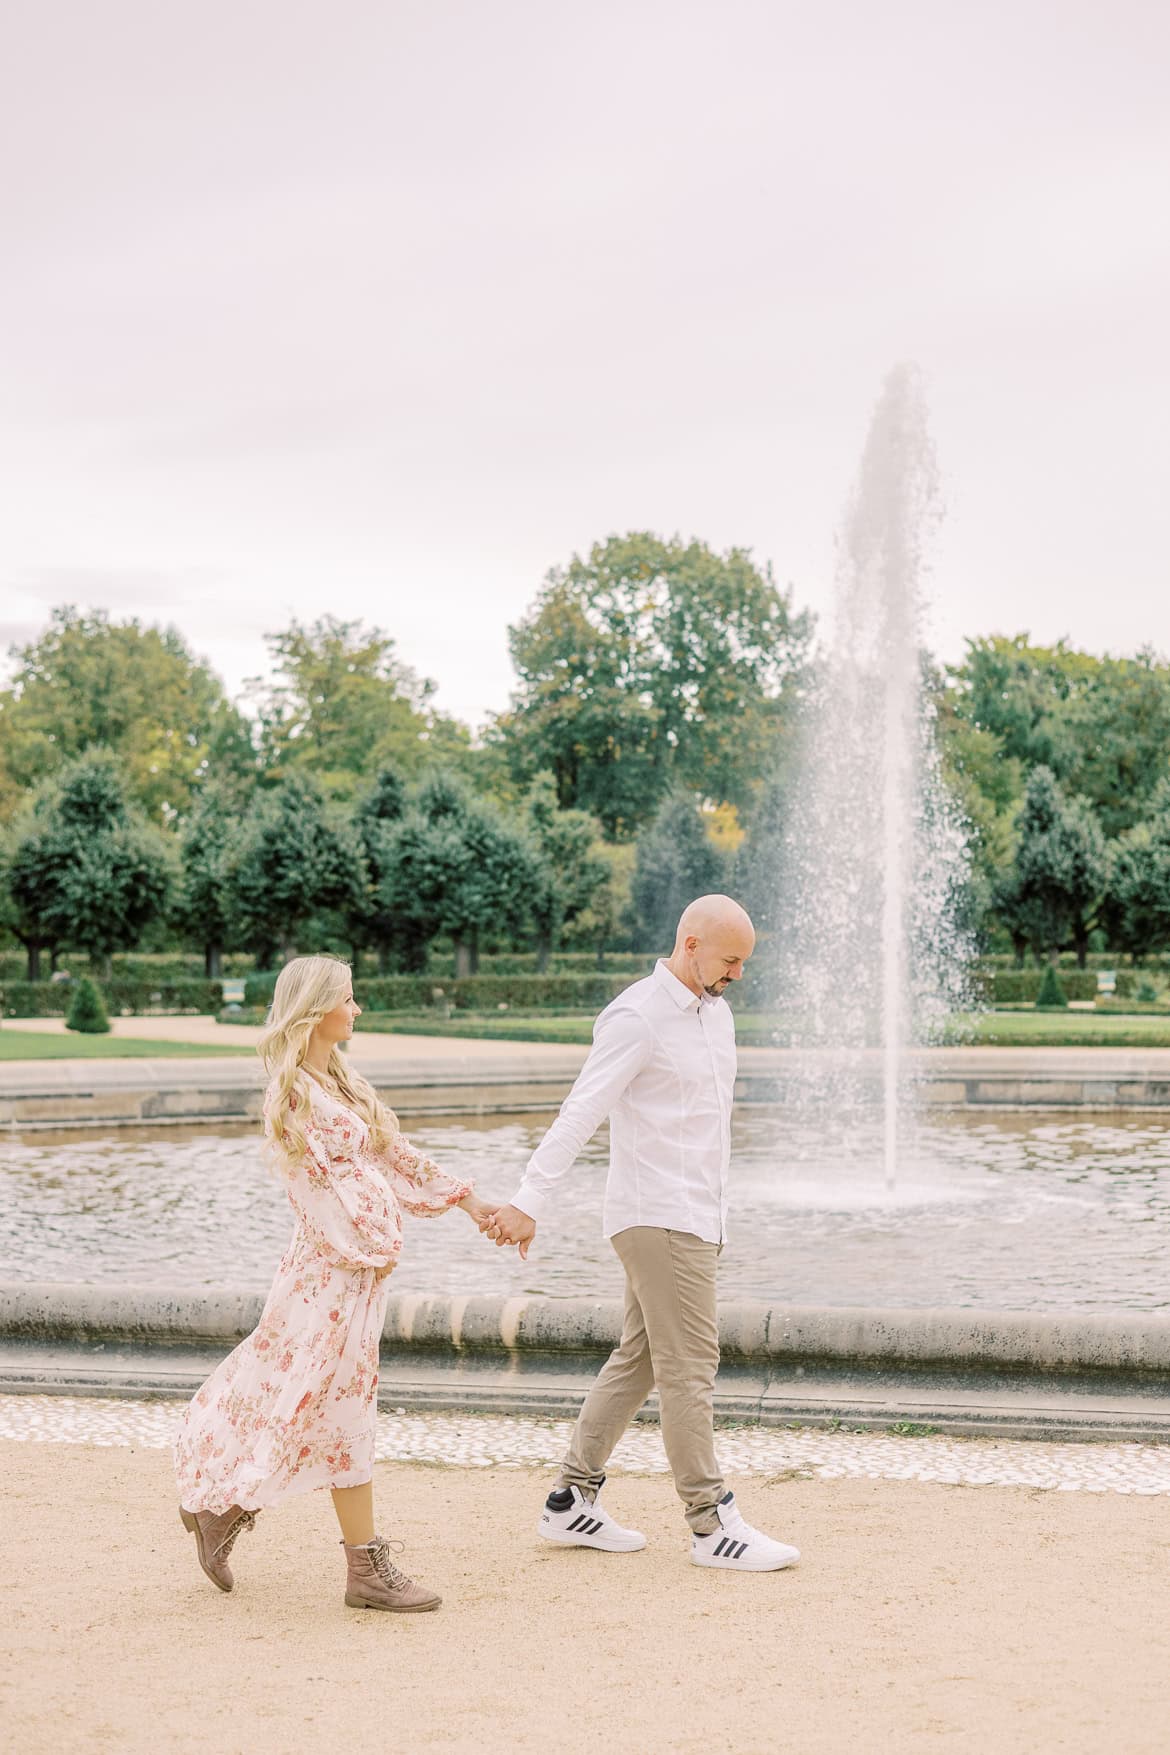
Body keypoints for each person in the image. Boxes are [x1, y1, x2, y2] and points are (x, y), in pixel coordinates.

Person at [174, 955, 501, 1612]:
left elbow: (392, 1157)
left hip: (352, 1275)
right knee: (322, 1402)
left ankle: (224, 1512)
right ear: (318, 1008)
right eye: (349, 1000)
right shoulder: (294, 1091)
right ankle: (359, 1565)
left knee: (315, 1401)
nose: (357, 1010)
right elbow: (312, 1191)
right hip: (331, 1276)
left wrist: (469, 1201)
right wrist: (369, 1248)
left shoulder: (340, 1082)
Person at [484, 895, 800, 1572]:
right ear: (690, 944)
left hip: (697, 1214)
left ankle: (570, 1499)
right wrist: (528, 1198)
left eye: (745, 962)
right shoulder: (637, 1016)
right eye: (729, 960)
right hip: (657, 1214)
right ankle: (711, 1523)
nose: (738, 974)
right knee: (692, 1365)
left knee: (644, 1358)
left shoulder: (720, 1018)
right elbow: (582, 1110)